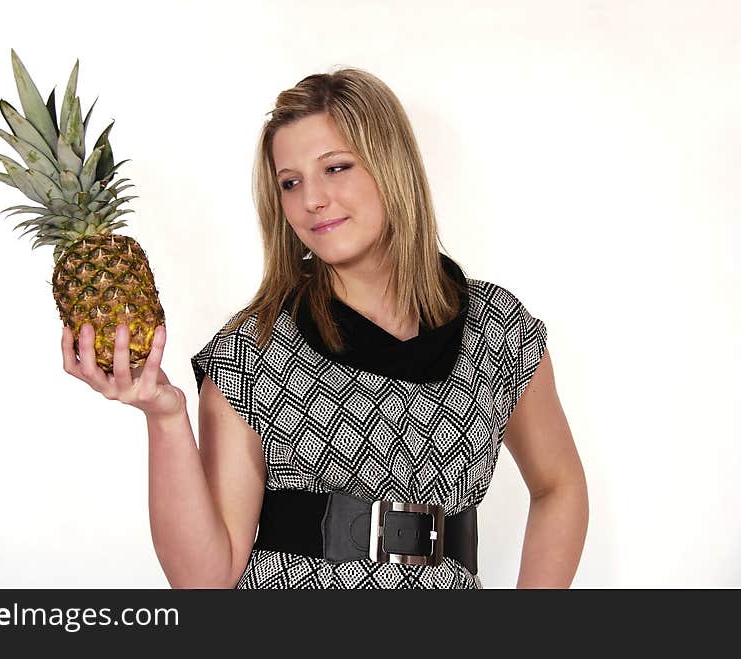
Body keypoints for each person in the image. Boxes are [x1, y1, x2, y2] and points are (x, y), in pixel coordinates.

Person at [61, 67, 588, 589]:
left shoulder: (499, 331)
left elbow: (559, 486)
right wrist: (167, 418)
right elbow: (206, 582)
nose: (310, 199)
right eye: (290, 182)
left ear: (391, 166)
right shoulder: (251, 352)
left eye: (335, 168)